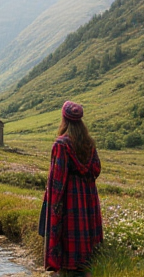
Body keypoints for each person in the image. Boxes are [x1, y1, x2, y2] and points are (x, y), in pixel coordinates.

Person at [39, 101, 103, 277]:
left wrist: (53, 207)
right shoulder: (89, 144)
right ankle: (85, 266)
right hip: (88, 198)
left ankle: (68, 268)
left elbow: (57, 181)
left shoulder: (61, 144)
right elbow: (96, 169)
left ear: (64, 119)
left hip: (70, 199)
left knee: (70, 231)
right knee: (85, 230)